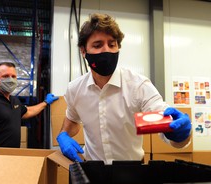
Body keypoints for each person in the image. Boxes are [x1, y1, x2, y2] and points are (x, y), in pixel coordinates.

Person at [56, 13, 192, 164]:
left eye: (112, 44)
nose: (106, 50)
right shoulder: (75, 89)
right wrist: (63, 134)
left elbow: (165, 126)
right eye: (97, 45)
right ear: (83, 51)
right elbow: (73, 120)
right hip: (93, 171)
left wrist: (181, 134)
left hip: (132, 173)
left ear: (118, 47)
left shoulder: (138, 86)